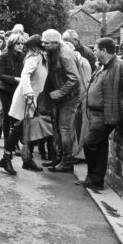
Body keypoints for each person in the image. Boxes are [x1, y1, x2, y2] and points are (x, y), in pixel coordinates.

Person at [77, 37, 123, 190]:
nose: (94, 53)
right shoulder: (102, 66)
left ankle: (93, 177)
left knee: (89, 144)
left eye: (96, 50)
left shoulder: (122, 66)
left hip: (106, 116)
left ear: (104, 51)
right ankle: (95, 180)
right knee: (100, 147)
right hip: (95, 115)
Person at [2, 35, 49, 174]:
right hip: (25, 99)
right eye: (43, 42)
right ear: (37, 45)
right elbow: (25, 76)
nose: (45, 44)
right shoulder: (33, 58)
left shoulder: (41, 57)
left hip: (32, 98)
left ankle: (27, 160)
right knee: (17, 130)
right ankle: (6, 158)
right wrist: (28, 94)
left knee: (28, 130)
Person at [41, 28, 80, 173]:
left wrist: (60, 92)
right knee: (59, 129)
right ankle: (59, 158)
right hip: (63, 97)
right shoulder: (55, 51)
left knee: (65, 130)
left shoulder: (64, 55)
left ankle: (67, 161)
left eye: (45, 43)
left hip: (69, 98)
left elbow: (75, 79)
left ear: (54, 43)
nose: (42, 45)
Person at [0, 33, 26, 160]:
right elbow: (0, 75)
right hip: (6, 89)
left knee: (17, 117)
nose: (21, 46)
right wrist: (15, 79)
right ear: (12, 44)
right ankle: (8, 143)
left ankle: (13, 143)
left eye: (22, 43)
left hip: (18, 90)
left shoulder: (23, 57)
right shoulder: (4, 56)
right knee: (8, 116)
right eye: (18, 43)